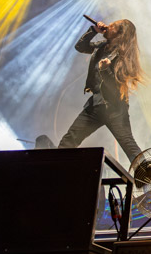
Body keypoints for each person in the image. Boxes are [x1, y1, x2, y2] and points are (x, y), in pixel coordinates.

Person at [60, 18, 145, 163]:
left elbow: (115, 87)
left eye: (113, 26)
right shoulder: (101, 46)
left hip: (115, 109)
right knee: (69, 140)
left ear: (119, 34)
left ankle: (149, 174)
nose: (108, 25)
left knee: (129, 146)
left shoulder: (123, 56)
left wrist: (105, 70)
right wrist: (93, 31)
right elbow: (80, 47)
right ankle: (54, 169)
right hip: (95, 105)